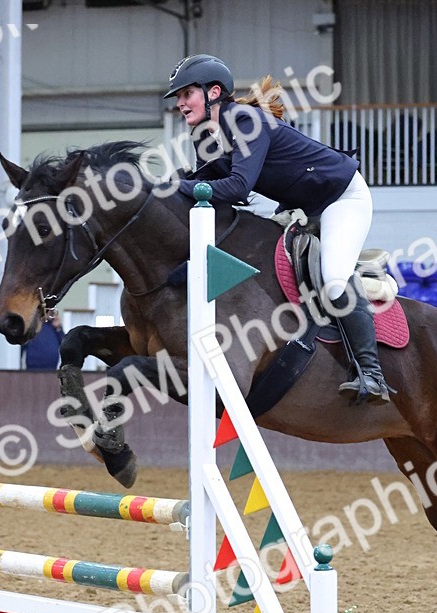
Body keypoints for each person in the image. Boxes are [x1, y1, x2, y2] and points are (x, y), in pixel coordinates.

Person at [164, 53, 390, 404]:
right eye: (177, 97)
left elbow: (237, 187)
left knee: (332, 281)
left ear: (213, 92)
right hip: (302, 208)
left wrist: (180, 187)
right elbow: (206, 193)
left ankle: (372, 373)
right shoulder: (206, 136)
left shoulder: (242, 118)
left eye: (186, 94)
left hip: (342, 198)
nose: (179, 103)